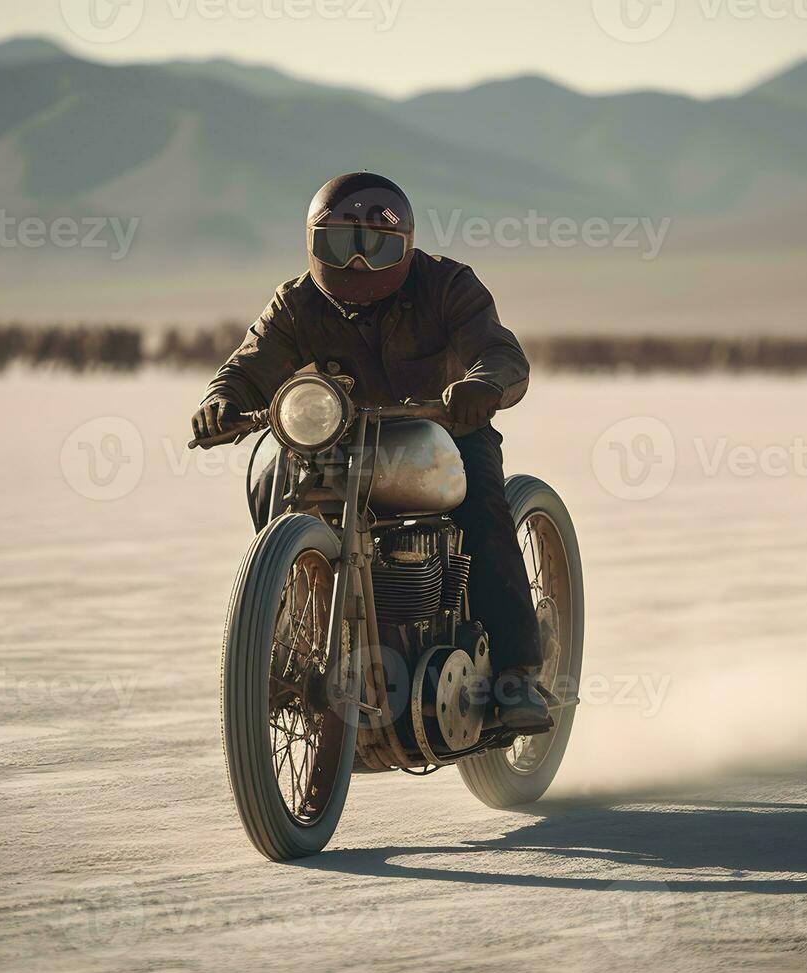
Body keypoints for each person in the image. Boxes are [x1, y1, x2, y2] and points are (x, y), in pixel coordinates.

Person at [191, 171, 550, 733]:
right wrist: (222, 399)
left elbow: (501, 353)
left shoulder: (447, 285)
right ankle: (287, 633)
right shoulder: (296, 302)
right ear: (314, 243)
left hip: (446, 432)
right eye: (341, 244)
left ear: (404, 246)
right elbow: (250, 364)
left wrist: (484, 385)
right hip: (336, 439)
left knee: (483, 510)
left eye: (376, 247)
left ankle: (517, 676)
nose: (357, 263)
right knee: (274, 482)